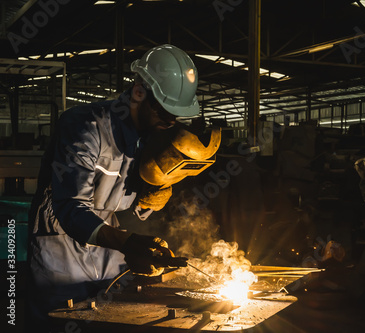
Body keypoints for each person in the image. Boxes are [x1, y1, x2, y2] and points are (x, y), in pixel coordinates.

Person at [26, 44, 220, 330]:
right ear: (139, 93)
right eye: (164, 112)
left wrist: (151, 198)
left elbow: (127, 206)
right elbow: (70, 208)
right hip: (60, 244)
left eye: (175, 116)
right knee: (61, 320)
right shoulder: (84, 126)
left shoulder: (151, 137)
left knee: (114, 319)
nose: (170, 122)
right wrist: (129, 242)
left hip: (107, 244)